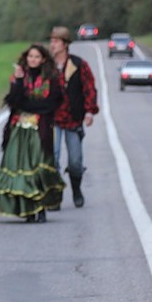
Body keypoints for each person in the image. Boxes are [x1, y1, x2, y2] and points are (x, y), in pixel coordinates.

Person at [0, 44, 65, 222]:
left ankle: (41, 208)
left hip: (40, 130)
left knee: (38, 169)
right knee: (21, 169)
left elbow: (51, 104)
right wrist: (18, 82)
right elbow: (15, 101)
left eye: (36, 57)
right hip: (19, 129)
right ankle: (27, 210)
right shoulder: (19, 77)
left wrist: (29, 106)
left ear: (43, 59)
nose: (33, 60)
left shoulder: (51, 79)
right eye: (30, 56)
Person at [48, 26, 99, 208]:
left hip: (73, 119)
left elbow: (89, 88)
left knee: (75, 161)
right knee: (51, 159)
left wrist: (89, 111)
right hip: (51, 119)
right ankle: (55, 194)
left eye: (56, 41)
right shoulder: (46, 65)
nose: (52, 45)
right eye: (51, 41)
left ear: (65, 44)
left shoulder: (79, 64)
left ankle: (76, 190)